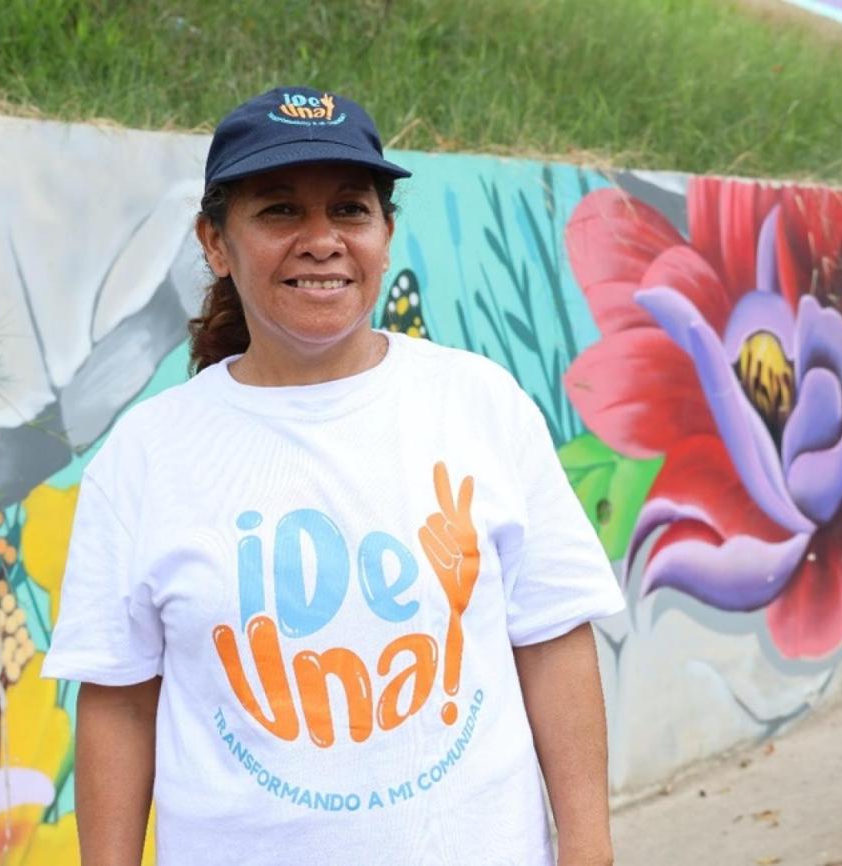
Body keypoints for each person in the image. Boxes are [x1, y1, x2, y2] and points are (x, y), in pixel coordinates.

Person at [42, 86, 626, 866]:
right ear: (215, 244)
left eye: (349, 209)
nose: (322, 240)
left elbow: (552, 636)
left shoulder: (480, 404)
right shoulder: (146, 455)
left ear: (386, 233)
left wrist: (589, 850)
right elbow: (117, 697)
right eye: (279, 211)